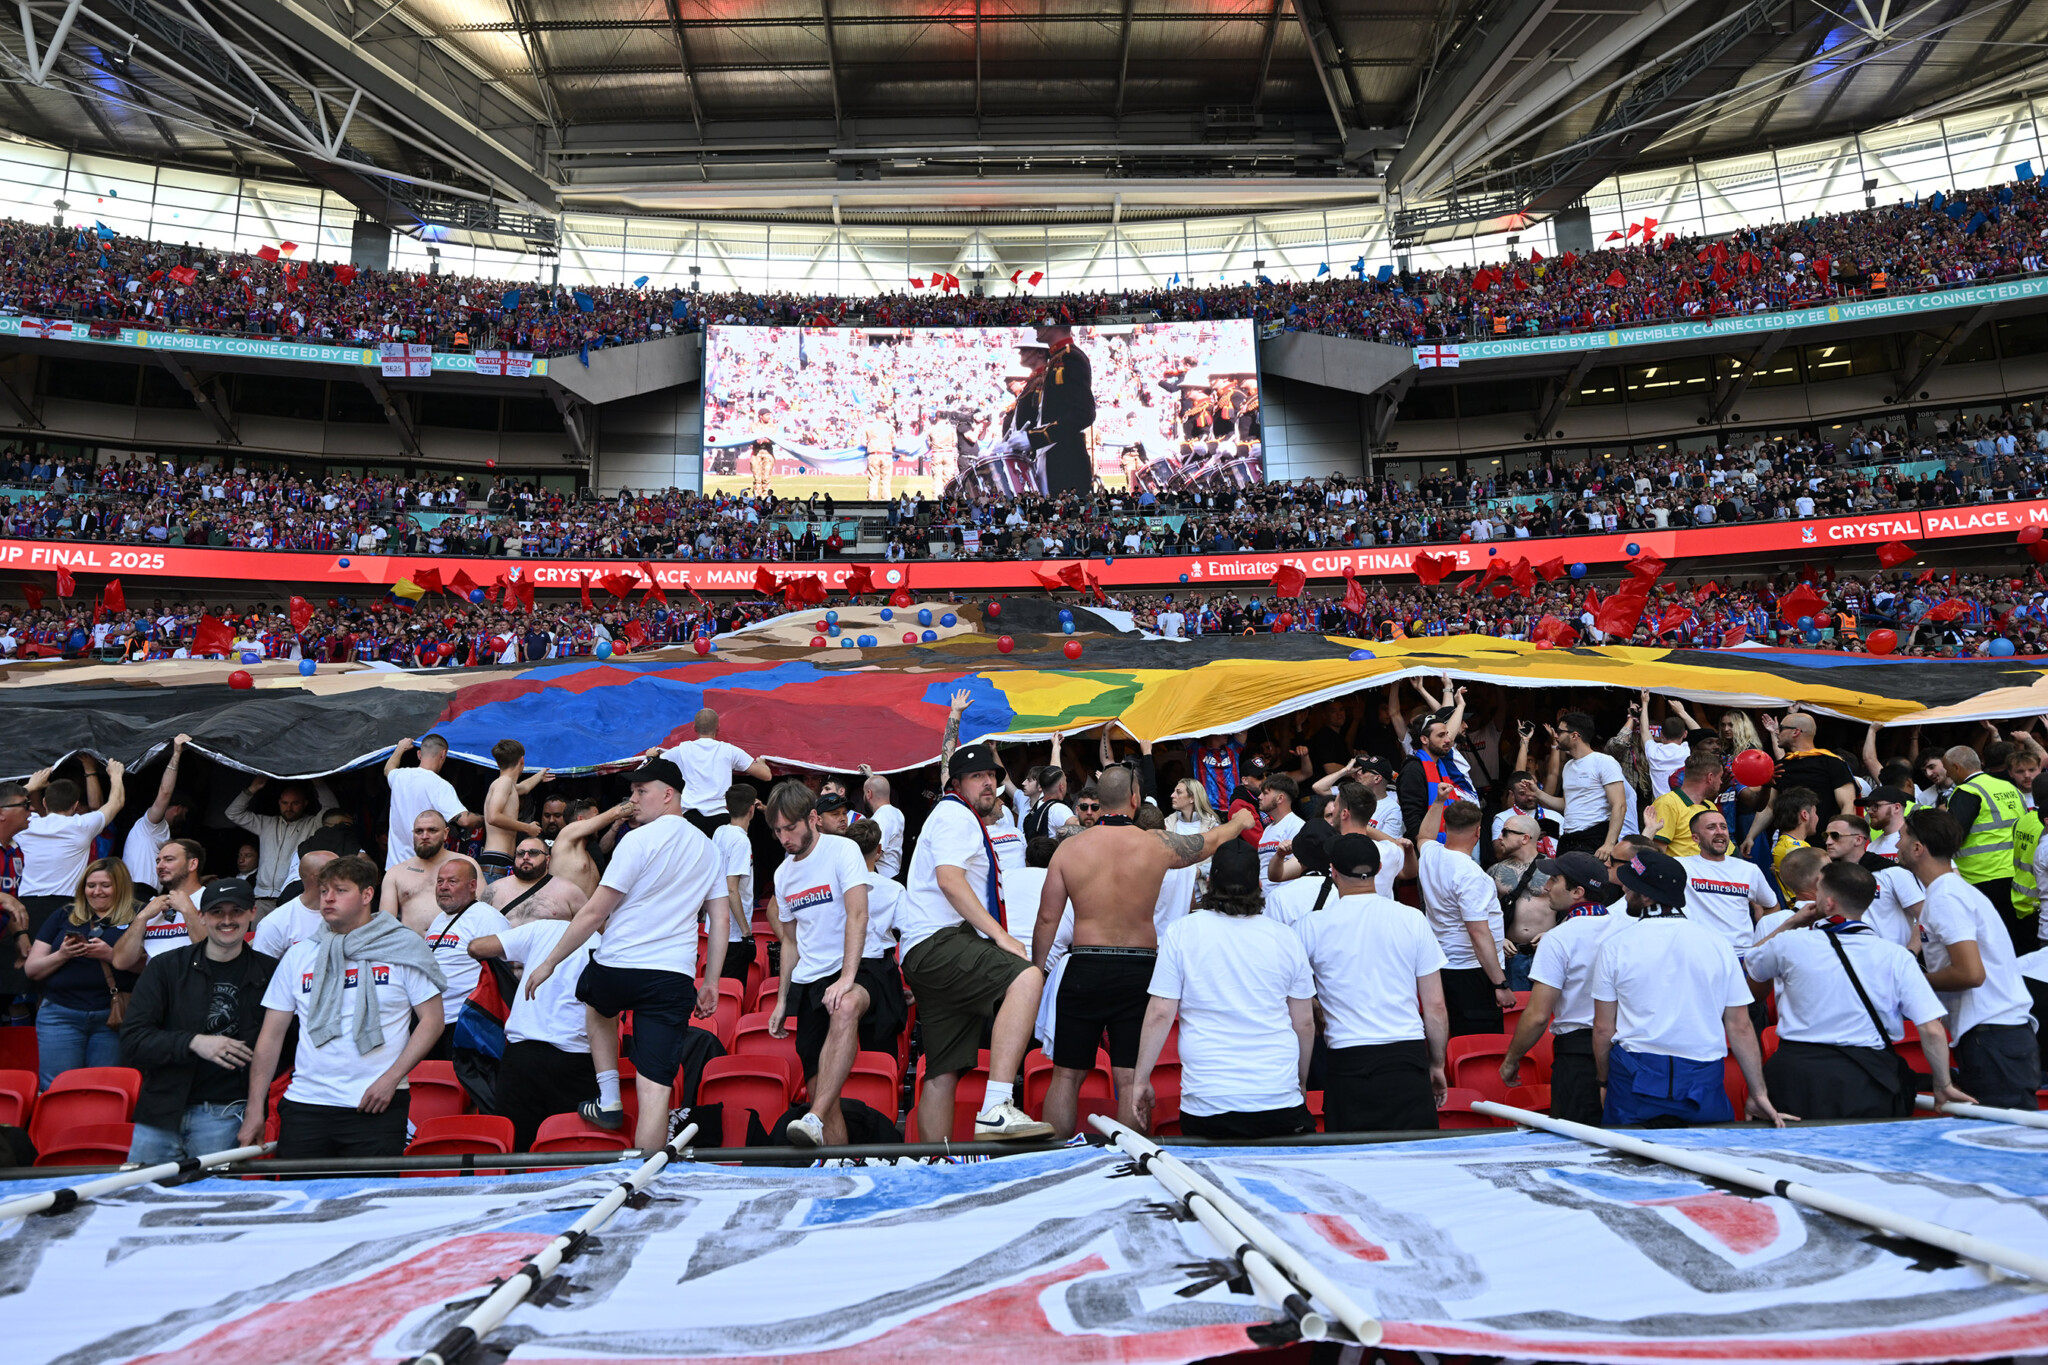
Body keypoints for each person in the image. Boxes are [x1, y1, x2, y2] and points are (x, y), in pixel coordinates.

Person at [522, 757, 730, 1154]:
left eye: (641, 791)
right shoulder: (708, 848)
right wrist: (712, 982)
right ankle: (646, 1175)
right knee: (656, 1094)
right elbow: (720, 919)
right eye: (632, 792)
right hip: (672, 976)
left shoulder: (637, 840)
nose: (632, 800)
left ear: (668, 795)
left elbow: (595, 913)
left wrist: (549, 962)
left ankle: (610, 1097)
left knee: (596, 1002)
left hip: (619, 965)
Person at [1033, 764, 1252, 1139]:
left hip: (1085, 965)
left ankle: (1056, 1159)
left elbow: (1047, 918)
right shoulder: (1157, 844)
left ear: (1099, 801)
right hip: (1139, 969)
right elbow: (1209, 841)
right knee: (1131, 1077)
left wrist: (1037, 972)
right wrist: (1239, 822)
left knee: (1066, 1075)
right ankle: (1135, 1163)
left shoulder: (1069, 849)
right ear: (1135, 799)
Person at [238, 855, 447, 1158]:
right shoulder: (300, 954)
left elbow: (432, 1021)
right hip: (305, 1103)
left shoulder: (404, 947)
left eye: (340, 890)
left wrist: (391, 1079)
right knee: (300, 1191)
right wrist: (254, 1108)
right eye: (324, 891)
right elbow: (270, 1037)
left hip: (376, 1102)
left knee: (370, 1190)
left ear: (367, 894)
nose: (328, 898)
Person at [895, 742, 1050, 1141]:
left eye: (992, 776)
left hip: (925, 949)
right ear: (956, 784)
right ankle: (997, 1106)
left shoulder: (951, 814)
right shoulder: (955, 815)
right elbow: (950, 880)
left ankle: (933, 1161)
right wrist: (1001, 936)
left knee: (942, 1072)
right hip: (941, 940)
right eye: (977, 776)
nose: (988, 784)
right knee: (1028, 977)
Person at [1744, 860, 1971, 1119]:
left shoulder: (1788, 943)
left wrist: (1792, 922)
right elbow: (1932, 1028)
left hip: (1798, 1078)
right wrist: (1942, 1084)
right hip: (1867, 1081)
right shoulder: (1897, 956)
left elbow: (1751, 963)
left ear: (1828, 903)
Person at [1131, 840, 1315, 1139]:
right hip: (1278, 1097)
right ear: (1259, 885)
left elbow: (1160, 1014)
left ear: (1210, 883)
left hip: (1208, 1103)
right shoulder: (1286, 938)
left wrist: (1140, 1079)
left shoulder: (1181, 932)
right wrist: (1301, 1081)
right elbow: (1304, 1023)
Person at [1592, 847, 1787, 1127]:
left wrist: (1603, 1081)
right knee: (1704, 1153)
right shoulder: (1719, 944)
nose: (1624, 889)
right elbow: (1740, 1026)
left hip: (1634, 1076)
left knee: (1628, 1155)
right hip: (1702, 1075)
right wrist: (1758, 1094)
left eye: (1630, 885)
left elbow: (1603, 1029)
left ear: (1646, 896)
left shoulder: (1614, 946)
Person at [1296, 834, 1448, 1132]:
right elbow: (1435, 1006)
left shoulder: (1310, 927)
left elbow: (1295, 1004)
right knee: (1418, 1155)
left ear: (1333, 871)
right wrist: (1437, 1064)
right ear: (1379, 868)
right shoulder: (1412, 919)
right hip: (1407, 1056)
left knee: (1354, 1158)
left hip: (1349, 1059)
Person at [120, 877, 276, 1163]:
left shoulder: (271, 973)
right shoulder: (165, 967)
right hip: (160, 1112)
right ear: (201, 916)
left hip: (226, 1113)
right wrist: (193, 1042)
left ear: (252, 914)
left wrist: (256, 1108)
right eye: (217, 912)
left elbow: (282, 1048)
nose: (227, 920)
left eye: (236, 911)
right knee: (143, 1190)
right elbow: (132, 1040)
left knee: (213, 1194)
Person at [764, 781, 883, 1147]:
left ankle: (812, 1116)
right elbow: (790, 942)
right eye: (777, 831)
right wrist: (782, 1000)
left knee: (845, 1005)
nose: (784, 838)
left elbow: (858, 914)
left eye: (790, 828)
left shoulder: (842, 850)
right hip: (810, 981)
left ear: (813, 818)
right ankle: (834, 1161)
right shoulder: (783, 874)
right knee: (824, 1096)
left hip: (859, 964)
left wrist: (846, 977)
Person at [1897, 808, 2042, 1109]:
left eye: (1902, 837)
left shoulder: (1946, 896)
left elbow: (1970, 973)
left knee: (2004, 1134)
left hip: (1992, 1038)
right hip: (1993, 1036)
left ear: (1918, 848)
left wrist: (1914, 981)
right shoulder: (1950, 891)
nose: (1897, 845)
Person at [1501, 852, 1627, 1125]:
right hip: (1627, 1052)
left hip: (1579, 1056)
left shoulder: (1558, 938)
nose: (1546, 887)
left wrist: (1511, 1060)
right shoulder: (1629, 929)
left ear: (1578, 892)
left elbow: (1537, 1016)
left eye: (1554, 880)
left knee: (1578, 1143)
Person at [469, 915, 603, 1151]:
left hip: (526, 1057)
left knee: (515, 1152)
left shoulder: (543, 928)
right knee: (572, 1152)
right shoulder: (603, 942)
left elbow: (476, 947)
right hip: (575, 1056)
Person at [23, 858, 141, 1088]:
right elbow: (32, 969)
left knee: (104, 1088)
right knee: (58, 1088)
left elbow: (152, 967)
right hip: (60, 1014)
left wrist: (110, 955)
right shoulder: (65, 914)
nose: (97, 891)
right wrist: (63, 954)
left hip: (113, 1015)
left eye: (105, 885)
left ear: (121, 886)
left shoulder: (139, 915)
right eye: (91, 885)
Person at [1417, 800, 1514, 1037]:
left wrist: (1438, 802)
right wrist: (1500, 983)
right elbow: (1478, 933)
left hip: (1443, 965)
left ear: (1445, 827)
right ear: (1478, 832)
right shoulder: (1472, 875)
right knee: (1479, 1042)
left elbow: (1424, 836)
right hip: (1472, 971)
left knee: (1453, 1036)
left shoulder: (1431, 854)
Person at [17, 761, 126, 955]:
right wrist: (116, 775)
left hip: (27, 905)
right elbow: (116, 802)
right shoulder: (82, 825)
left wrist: (31, 786)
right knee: (63, 959)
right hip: (66, 907)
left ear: (44, 803)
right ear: (75, 805)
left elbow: (4, 807)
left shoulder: (27, 825)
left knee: (27, 959)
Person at [1943, 745, 2030, 954]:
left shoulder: (1967, 791)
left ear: (1956, 767)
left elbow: (1954, 835)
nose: (1947, 775)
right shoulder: (2010, 788)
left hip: (1981, 876)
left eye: (1948, 769)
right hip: (2015, 873)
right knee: (2014, 940)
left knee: (1992, 945)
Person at [419, 857, 510, 1058]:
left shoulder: (488, 918)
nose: (443, 887)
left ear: (472, 886)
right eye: (440, 881)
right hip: (432, 1021)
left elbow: (505, 973)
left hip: (465, 1023)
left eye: (452, 881)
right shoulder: (440, 919)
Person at [226, 773, 338, 913]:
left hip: (292, 898)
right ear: (279, 802)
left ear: (305, 803)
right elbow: (233, 813)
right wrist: (252, 788)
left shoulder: (312, 824)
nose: (289, 808)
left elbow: (332, 810)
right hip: (261, 898)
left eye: (295, 803)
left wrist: (318, 783)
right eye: (285, 803)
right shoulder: (266, 824)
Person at [656, 708, 773, 839]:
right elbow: (766, 775)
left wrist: (651, 755)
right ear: (718, 727)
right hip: (721, 818)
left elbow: (651, 766)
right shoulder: (729, 751)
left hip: (691, 819)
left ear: (694, 728)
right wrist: (761, 763)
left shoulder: (682, 750)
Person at [1678, 809, 1780, 957]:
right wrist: (1650, 831)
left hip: (1742, 956)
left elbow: (1771, 906)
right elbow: (1645, 865)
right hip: (1701, 956)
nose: (1719, 832)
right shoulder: (1682, 866)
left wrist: (1761, 939)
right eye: (1711, 827)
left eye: (1723, 827)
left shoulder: (1749, 870)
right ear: (1695, 838)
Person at [1822, 813, 1924, 949]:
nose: (1828, 842)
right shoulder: (1830, 876)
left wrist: (1911, 953)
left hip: (1892, 957)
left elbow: (1924, 915)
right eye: (1826, 836)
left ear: (1858, 840)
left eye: (1835, 836)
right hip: (1850, 956)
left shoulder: (1892, 872)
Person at [252, 828, 357, 959]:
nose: (344, 877)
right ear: (318, 878)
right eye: (336, 873)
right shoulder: (276, 923)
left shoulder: (352, 914)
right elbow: (263, 969)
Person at [1533, 713, 1625, 858]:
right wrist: (1537, 793)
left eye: (1560, 731)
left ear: (1574, 735)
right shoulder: (1568, 766)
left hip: (1593, 838)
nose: (1555, 735)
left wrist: (1609, 844)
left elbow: (1619, 805)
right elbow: (1566, 804)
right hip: (1568, 838)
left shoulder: (1604, 761)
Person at [382, 734, 479, 870]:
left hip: (395, 868)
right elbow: (465, 820)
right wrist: (485, 819)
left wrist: (400, 748)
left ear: (419, 754)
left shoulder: (400, 776)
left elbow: (388, 769)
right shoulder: (440, 785)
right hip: (423, 870)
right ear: (443, 754)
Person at [111, 838, 205, 973]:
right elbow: (120, 961)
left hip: (194, 983)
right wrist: (142, 917)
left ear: (192, 864)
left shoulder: (210, 900)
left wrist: (188, 910)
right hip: (156, 985)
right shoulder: (153, 907)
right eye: (158, 861)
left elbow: (215, 952)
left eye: (169, 860)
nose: (160, 866)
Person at [121, 733, 193, 895]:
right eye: (186, 812)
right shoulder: (151, 825)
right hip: (137, 894)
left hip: (146, 895)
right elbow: (165, 793)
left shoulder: (159, 832)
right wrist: (176, 754)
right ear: (178, 808)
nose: (186, 817)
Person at [1396, 707, 1478, 842]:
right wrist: (1425, 846)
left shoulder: (1440, 766)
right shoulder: (1413, 769)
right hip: (1426, 846)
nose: (1448, 740)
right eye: (1441, 735)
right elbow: (1412, 815)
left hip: (1448, 845)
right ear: (1424, 739)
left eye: (1447, 734)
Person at [380, 810, 467, 934]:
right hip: (411, 943)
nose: (425, 836)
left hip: (455, 943)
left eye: (432, 830)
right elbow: (385, 924)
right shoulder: (395, 873)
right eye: (419, 831)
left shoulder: (466, 865)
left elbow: (482, 913)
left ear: (445, 833)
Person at [1033, 322, 1095, 494]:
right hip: (1055, 458)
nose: (1035, 328)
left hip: (1067, 461)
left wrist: (1036, 438)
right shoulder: (1057, 358)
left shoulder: (1070, 357)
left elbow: (1084, 413)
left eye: (1040, 323)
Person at [481, 738, 552, 885]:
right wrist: (527, 828)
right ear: (522, 760)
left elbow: (524, 788)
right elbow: (493, 816)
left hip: (499, 862)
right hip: (496, 862)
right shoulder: (504, 783)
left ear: (498, 763)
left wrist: (540, 775)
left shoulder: (507, 784)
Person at [713, 786, 760, 982]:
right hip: (734, 933)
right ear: (751, 809)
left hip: (717, 925)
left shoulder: (720, 832)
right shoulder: (741, 842)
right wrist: (746, 933)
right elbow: (731, 888)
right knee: (733, 986)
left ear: (726, 807)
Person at [486, 834, 588, 924]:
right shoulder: (494, 889)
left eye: (533, 852)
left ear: (547, 860)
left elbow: (590, 927)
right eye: (520, 853)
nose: (525, 857)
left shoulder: (569, 891)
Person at [1774, 712, 1858, 816]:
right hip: (1788, 827)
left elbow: (1848, 805)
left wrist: (1838, 827)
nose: (1777, 732)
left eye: (1781, 728)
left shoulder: (1833, 763)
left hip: (1825, 826)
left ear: (1795, 732)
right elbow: (1769, 808)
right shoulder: (1780, 766)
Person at [1644, 755, 1721, 858]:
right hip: (1684, 868)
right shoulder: (1667, 803)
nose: (1721, 782)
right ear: (1710, 777)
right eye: (1720, 777)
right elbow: (1657, 853)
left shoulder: (1710, 806)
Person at [862, 770, 906, 879]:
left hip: (883, 876)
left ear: (869, 793)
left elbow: (875, 854)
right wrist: (872, 777)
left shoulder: (881, 817)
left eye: (864, 792)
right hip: (893, 873)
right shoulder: (897, 812)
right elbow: (880, 787)